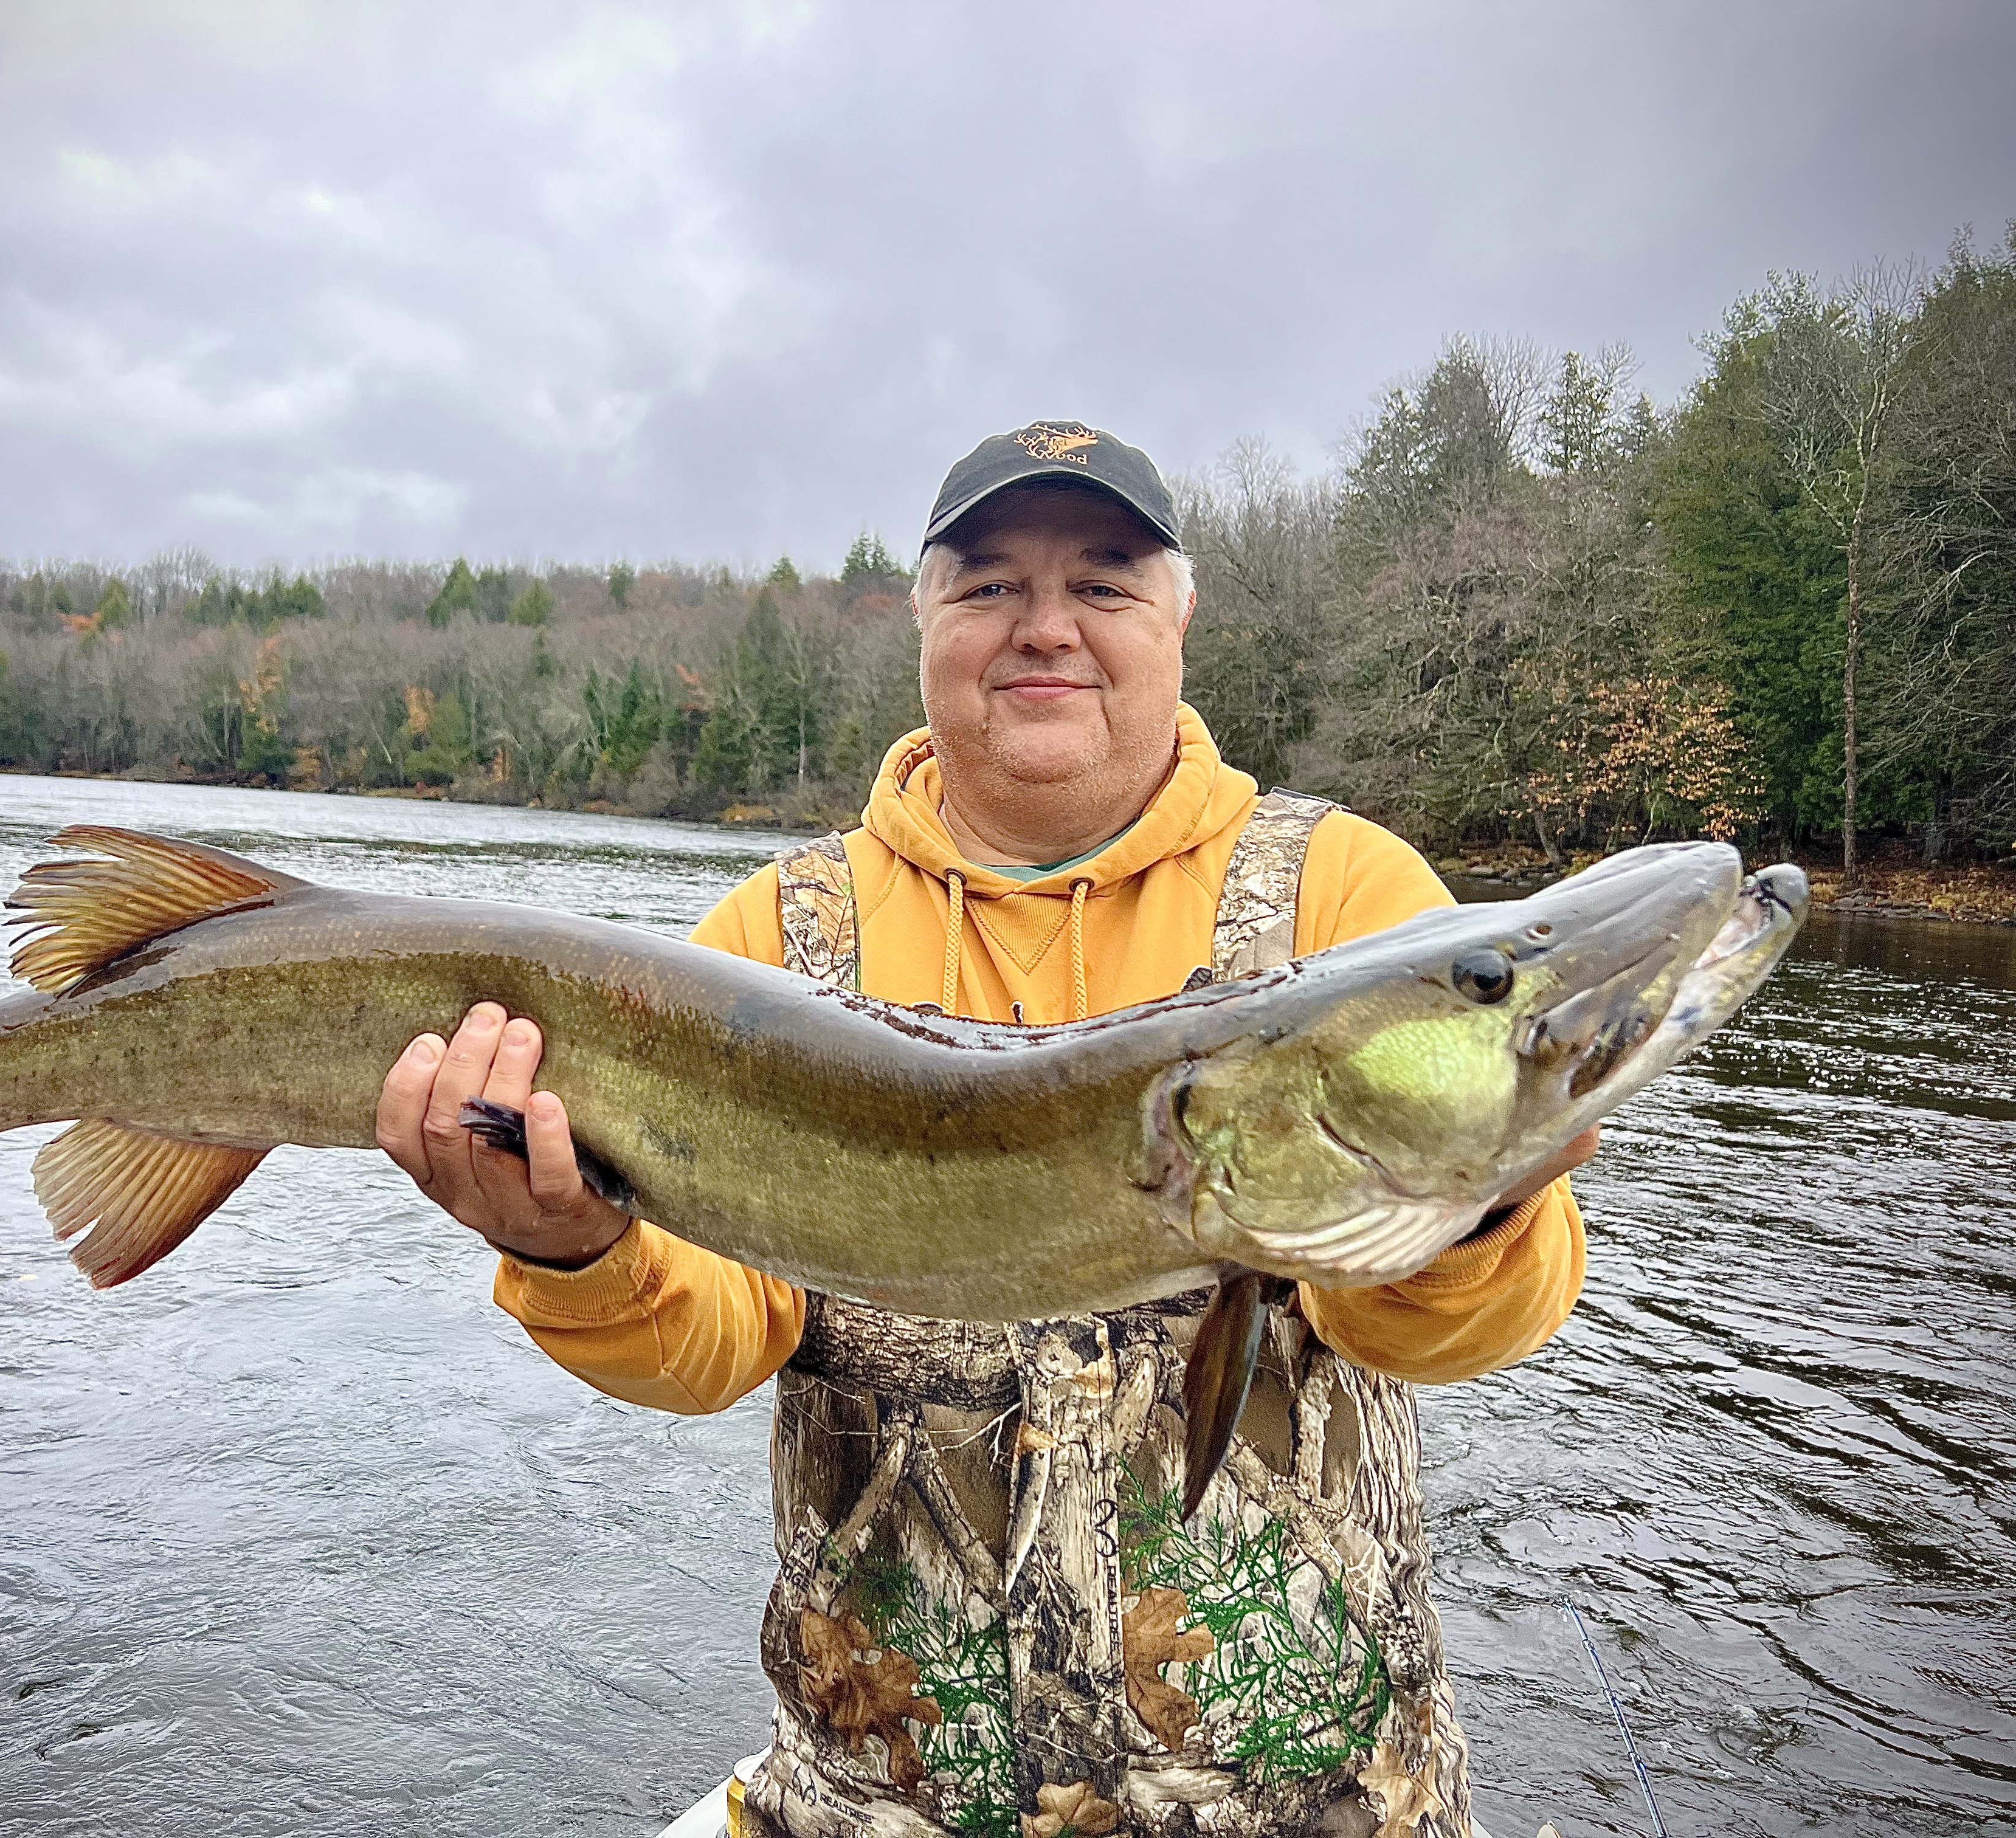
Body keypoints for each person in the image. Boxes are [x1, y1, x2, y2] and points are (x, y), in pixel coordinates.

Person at [375, 422, 1590, 1838]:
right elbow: (710, 1342)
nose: (1046, 630)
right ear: (925, 625)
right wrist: (574, 1250)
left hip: (1322, 1808)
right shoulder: (773, 945)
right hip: (879, 1809)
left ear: (1179, 621)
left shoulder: (1347, 894)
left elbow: (1447, 1336)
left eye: (1105, 585)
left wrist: (1483, 1206)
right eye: (992, 585)